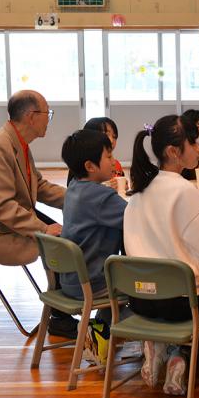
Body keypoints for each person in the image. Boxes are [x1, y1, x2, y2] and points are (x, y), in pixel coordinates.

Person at [124, 115, 199, 395]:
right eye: (192, 142)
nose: (198, 148)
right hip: (181, 303)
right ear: (173, 152)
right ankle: (181, 353)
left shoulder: (138, 193)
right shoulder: (183, 192)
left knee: (178, 304)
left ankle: (158, 346)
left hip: (140, 299)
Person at [0, 90, 75, 338]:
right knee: (59, 242)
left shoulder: (18, 144)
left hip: (11, 222)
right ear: (31, 116)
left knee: (65, 234)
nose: (49, 118)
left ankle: (61, 310)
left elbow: (39, 186)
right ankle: (60, 316)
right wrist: (42, 229)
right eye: (47, 113)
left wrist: (78, 198)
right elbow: (3, 206)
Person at [60, 129, 128, 365]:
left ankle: (99, 331)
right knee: (149, 292)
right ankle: (149, 338)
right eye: (108, 157)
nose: (114, 161)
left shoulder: (73, 190)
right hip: (93, 283)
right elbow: (137, 218)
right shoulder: (101, 197)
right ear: (90, 165)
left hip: (70, 279)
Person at [66, 117, 125, 187]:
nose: (111, 141)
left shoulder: (116, 164)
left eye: (114, 136)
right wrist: (104, 187)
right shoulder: (83, 169)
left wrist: (122, 185)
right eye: (106, 135)